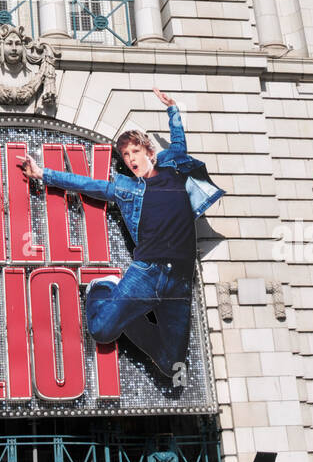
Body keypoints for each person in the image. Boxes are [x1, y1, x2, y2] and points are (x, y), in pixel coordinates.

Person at [19, 89, 224, 386]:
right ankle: (104, 289)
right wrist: (44, 174)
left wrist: (173, 110)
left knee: (171, 364)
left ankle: (127, 311)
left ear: (150, 153)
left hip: (180, 278)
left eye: (135, 153)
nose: (130, 160)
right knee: (101, 329)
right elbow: (89, 184)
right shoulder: (128, 190)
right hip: (147, 273)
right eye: (125, 156)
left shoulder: (173, 168)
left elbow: (179, 142)